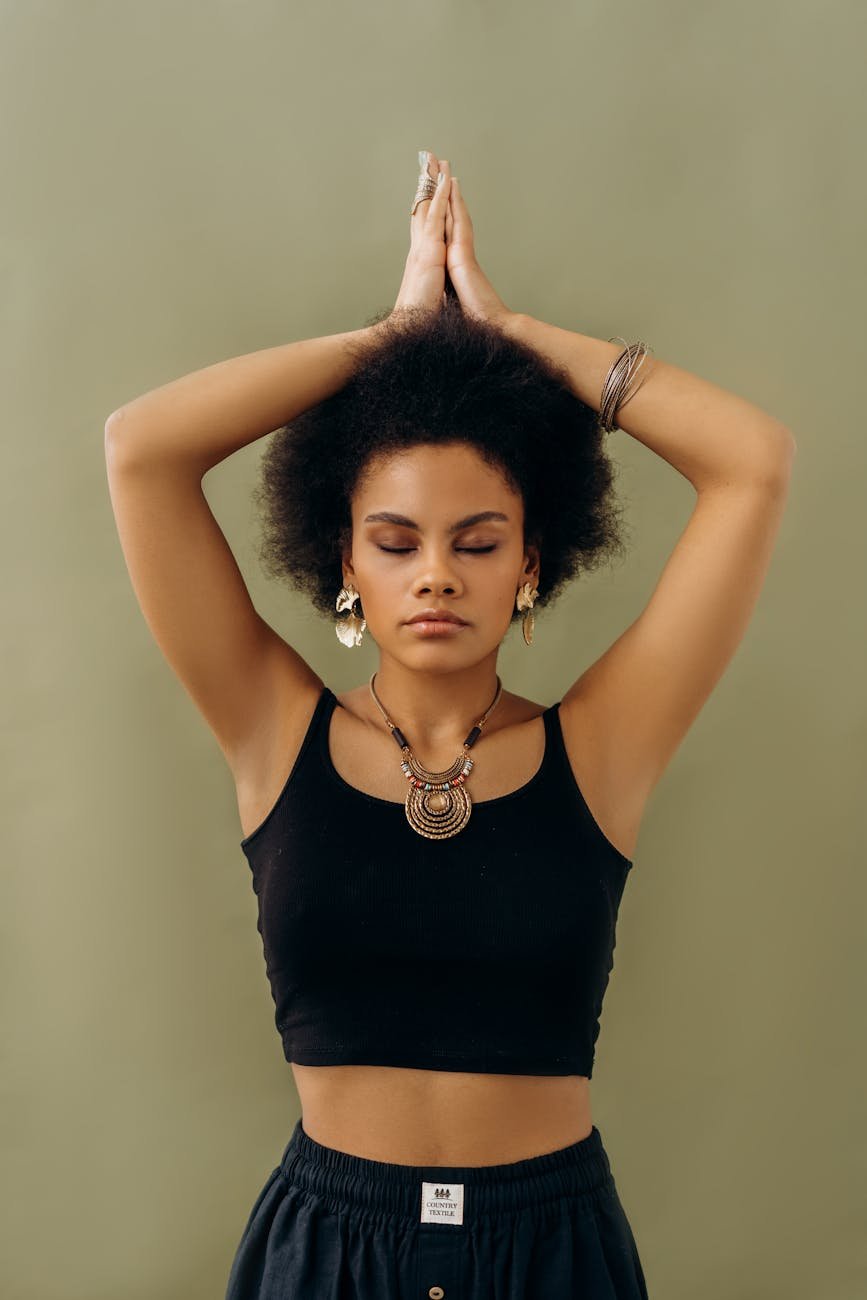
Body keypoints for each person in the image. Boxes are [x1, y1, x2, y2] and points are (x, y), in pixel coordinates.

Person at [104, 149, 796, 1299]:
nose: (437, 575)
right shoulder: (274, 729)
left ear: (532, 561)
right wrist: (393, 345)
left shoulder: (601, 748)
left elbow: (752, 463)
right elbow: (143, 450)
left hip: (554, 1251)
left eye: (477, 542)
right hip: (327, 1249)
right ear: (344, 563)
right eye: (396, 541)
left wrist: (509, 336)